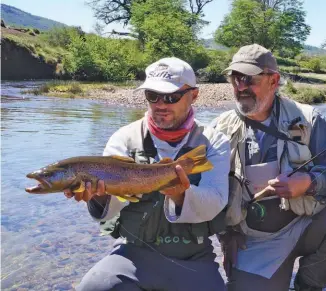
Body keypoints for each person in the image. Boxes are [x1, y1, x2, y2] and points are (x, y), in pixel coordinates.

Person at [212, 44, 326, 291]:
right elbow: (212, 193)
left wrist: (310, 183)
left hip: (308, 223)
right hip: (256, 241)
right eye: (235, 78)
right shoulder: (219, 129)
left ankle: (306, 284)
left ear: (274, 80)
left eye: (249, 79)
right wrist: (227, 236)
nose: (241, 86)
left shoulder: (308, 119)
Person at [64, 57, 231, 291]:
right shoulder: (124, 138)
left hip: (193, 257)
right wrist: (99, 197)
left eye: (171, 97)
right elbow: (108, 212)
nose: (160, 104)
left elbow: (215, 201)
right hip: (133, 254)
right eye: (152, 95)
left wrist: (181, 195)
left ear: (194, 96)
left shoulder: (213, 142)